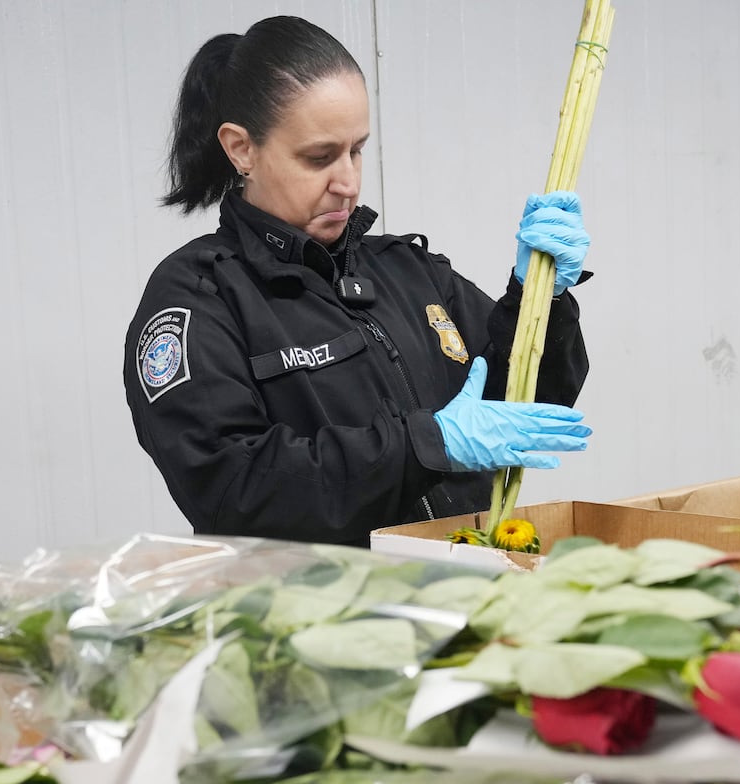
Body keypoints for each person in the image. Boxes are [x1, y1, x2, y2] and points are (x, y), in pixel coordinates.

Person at [124, 15, 593, 545]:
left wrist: (540, 301)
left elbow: (521, 401)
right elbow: (235, 493)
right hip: (322, 616)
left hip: (463, 588)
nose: (347, 182)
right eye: (319, 157)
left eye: (356, 150)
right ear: (241, 149)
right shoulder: (199, 299)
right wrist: (428, 444)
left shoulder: (409, 272)